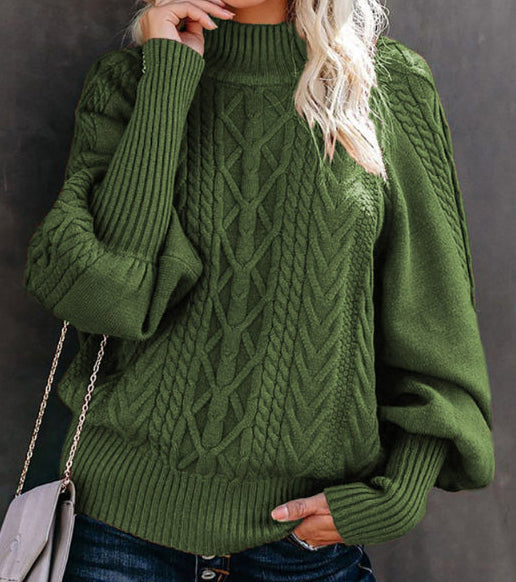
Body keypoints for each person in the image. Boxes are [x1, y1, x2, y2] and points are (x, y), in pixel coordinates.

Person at [22, 0, 495, 580]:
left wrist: (398, 493)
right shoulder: (129, 82)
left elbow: (437, 316)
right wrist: (167, 79)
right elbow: (105, 296)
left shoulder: (387, 84)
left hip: (301, 548)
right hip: (118, 534)